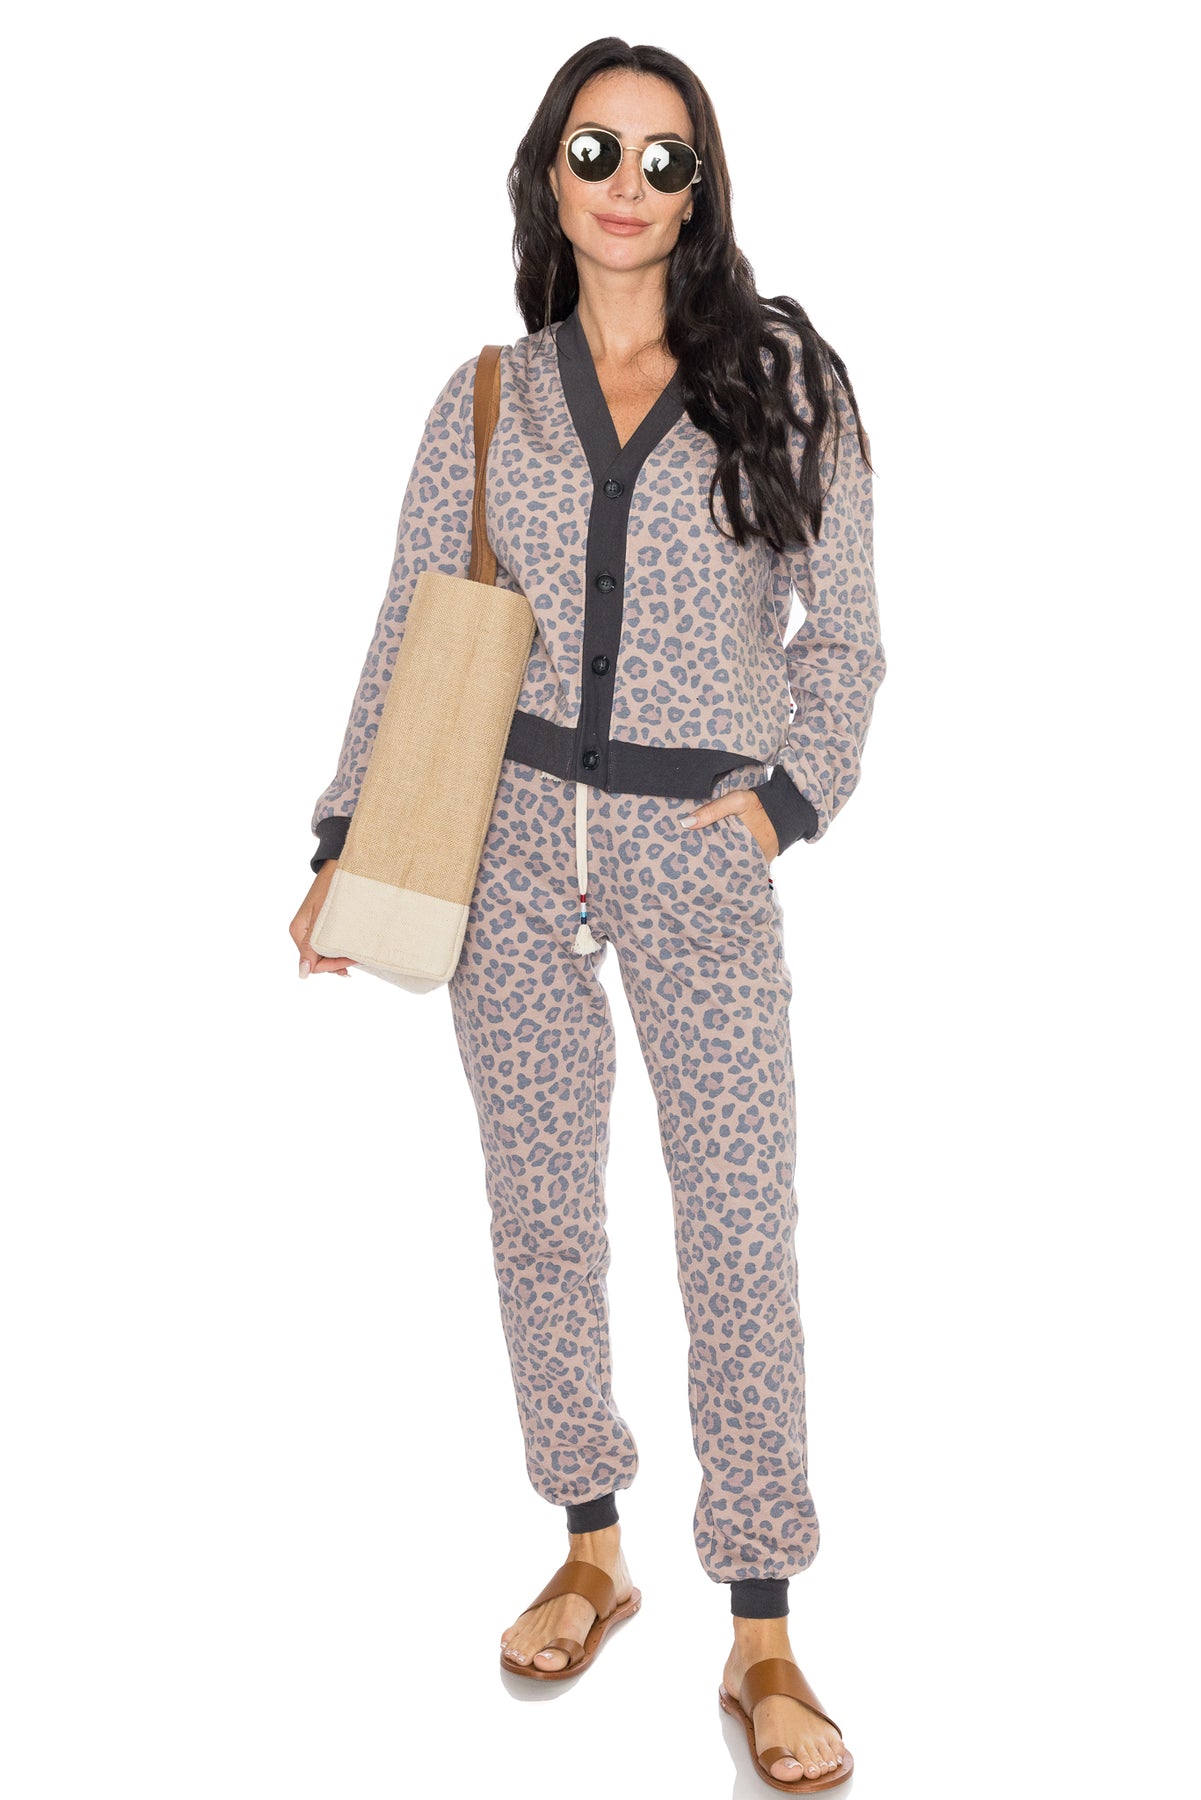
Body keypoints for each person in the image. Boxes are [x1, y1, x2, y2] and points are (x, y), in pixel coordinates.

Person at [290, 36, 885, 1792]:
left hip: (695, 858)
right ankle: (590, 1546)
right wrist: (343, 840)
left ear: (701, 191)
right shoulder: (486, 396)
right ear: (548, 173)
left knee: (738, 1230)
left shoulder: (783, 382)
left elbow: (844, 632)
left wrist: (781, 806)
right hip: (506, 845)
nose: (629, 185)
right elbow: (411, 622)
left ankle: (761, 1628)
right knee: (540, 1215)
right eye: (597, 150)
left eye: (664, 158)